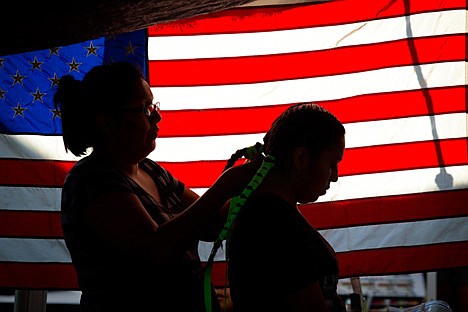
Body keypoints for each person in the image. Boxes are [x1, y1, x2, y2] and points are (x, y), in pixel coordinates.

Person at [53, 61, 259, 312]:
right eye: (143, 109)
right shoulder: (91, 181)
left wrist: (256, 181)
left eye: (153, 106)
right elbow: (156, 249)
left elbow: (213, 223)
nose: (157, 116)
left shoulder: (151, 170)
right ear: (106, 122)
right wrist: (225, 186)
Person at [227, 103, 347, 312]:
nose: (335, 176)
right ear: (301, 158)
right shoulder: (275, 223)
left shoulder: (272, 214)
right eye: (332, 163)